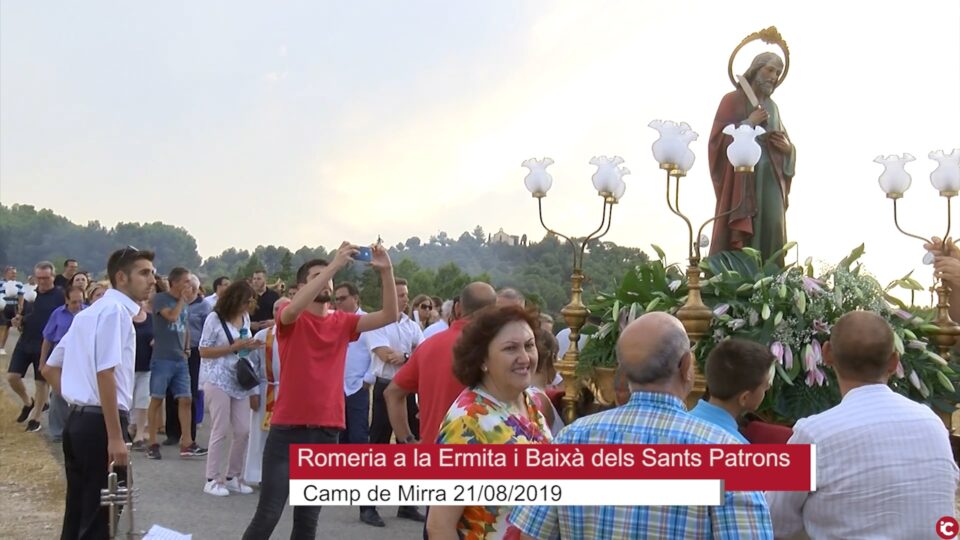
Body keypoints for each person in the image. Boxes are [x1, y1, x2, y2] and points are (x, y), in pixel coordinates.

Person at [512, 312, 773, 539]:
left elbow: (533, 534)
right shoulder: (726, 452)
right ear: (686, 367)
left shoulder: (570, 440)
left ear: (622, 373)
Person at [241, 243, 398, 540]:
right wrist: (334, 265)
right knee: (269, 514)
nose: (326, 280)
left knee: (307, 521)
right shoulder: (290, 314)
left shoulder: (343, 322)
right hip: (287, 429)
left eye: (329, 277)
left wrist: (387, 271)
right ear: (302, 286)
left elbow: (390, 314)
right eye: (317, 276)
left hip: (327, 432)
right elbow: (293, 310)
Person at [766, 311, 959, 538]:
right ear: (894, 361)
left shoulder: (815, 435)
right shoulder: (932, 423)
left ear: (826, 354)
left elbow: (774, 521)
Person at [41, 247, 156, 540]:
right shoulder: (114, 312)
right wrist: (115, 435)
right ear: (121, 277)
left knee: (79, 513)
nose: (151, 279)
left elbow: (50, 368)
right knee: (99, 521)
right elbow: (105, 372)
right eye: (144, 273)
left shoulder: (89, 313)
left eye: (152, 273)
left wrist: (77, 400)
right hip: (100, 425)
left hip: (81, 422)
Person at [427, 305, 553, 539]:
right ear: (482, 359)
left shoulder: (528, 400)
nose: (524, 357)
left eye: (529, 345)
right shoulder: (468, 424)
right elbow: (439, 526)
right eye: (510, 348)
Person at [709, 52, 796, 265]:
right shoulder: (733, 99)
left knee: (773, 225)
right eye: (770, 70)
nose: (774, 76)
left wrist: (788, 149)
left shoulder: (772, 107)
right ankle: (742, 277)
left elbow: (785, 140)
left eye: (777, 72)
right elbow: (717, 141)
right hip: (745, 179)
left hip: (772, 179)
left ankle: (771, 280)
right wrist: (748, 122)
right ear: (756, 69)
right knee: (749, 229)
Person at [386, 282, 497, 448]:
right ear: (494, 312)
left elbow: (392, 393)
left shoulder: (428, 346)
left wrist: (407, 440)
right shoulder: (498, 348)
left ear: (458, 308)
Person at [365, 277, 426, 523]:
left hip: (409, 391)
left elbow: (423, 354)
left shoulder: (411, 325)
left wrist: (407, 355)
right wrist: (407, 356)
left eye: (406, 294)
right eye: (400, 294)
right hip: (385, 387)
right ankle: (367, 506)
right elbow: (384, 355)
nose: (405, 299)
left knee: (409, 447)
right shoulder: (377, 323)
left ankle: (407, 504)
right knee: (378, 447)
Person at [199, 281, 260, 497]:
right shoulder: (214, 319)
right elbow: (203, 351)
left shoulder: (244, 318)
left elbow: (242, 348)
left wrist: (249, 346)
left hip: (238, 378)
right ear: (235, 299)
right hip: (217, 377)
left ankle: (234, 476)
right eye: (246, 300)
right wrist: (232, 347)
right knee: (220, 428)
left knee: (243, 429)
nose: (249, 305)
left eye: (251, 301)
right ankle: (212, 478)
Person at [333, 282, 382, 527]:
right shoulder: (334, 321)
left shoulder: (367, 322)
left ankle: (366, 503)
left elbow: (376, 354)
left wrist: (368, 379)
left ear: (356, 298)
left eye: (343, 298)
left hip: (357, 388)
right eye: (336, 299)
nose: (338, 303)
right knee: (338, 438)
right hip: (335, 389)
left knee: (360, 441)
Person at [146, 267, 206, 459]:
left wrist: (187, 348)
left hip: (180, 358)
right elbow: (171, 317)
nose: (189, 285)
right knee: (157, 399)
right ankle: (152, 442)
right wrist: (181, 300)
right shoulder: (161, 299)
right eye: (186, 282)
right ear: (176, 282)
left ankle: (187, 442)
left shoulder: (185, 305)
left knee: (186, 399)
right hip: (163, 357)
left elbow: (184, 326)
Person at [8, 261, 63, 425]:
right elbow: (24, 314)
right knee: (12, 377)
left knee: (41, 382)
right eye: (39, 278)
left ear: (53, 276)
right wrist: (18, 320)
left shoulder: (60, 295)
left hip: (46, 344)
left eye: (46, 278)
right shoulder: (30, 294)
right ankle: (27, 402)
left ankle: (36, 418)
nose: (42, 281)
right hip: (25, 340)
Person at [689, 339, 775, 442]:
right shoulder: (737, 447)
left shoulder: (676, 424)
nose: (769, 387)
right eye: (765, 386)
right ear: (744, 398)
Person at [244, 297, 289, 486]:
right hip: (267, 389)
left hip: (290, 392)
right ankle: (259, 474)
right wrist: (253, 391)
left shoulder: (300, 333)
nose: (278, 312)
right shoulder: (263, 335)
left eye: (283, 308)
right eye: (275, 308)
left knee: (289, 435)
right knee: (260, 432)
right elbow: (251, 364)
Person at [130, 287, 155, 451]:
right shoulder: (124, 318)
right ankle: (128, 429)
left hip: (146, 365)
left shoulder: (151, 318)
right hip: (126, 367)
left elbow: (157, 335)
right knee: (127, 400)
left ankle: (140, 433)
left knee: (142, 400)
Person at [1, 265, 25, 355]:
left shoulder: (19, 284)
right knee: (4, 326)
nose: (14, 275)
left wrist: (20, 307)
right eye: (12, 273)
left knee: (19, 326)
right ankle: (1, 347)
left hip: (13, 307)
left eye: (15, 273)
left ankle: (22, 346)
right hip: (2, 307)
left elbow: (21, 296)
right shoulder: (1, 283)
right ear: (6, 273)